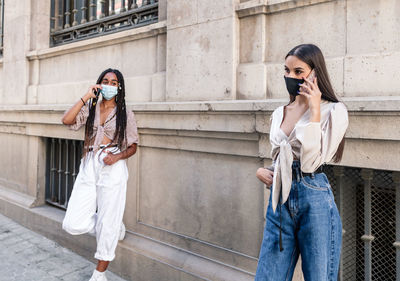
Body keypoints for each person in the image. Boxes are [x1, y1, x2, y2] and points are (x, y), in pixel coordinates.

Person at [254, 44, 348, 281]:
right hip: (279, 198)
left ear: (315, 74)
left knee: (319, 277)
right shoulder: (279, 113)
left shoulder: (334, 111)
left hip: (314, 196)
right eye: (287, 71)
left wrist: (314, 110)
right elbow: (281, 159)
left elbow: (309, 163)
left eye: (298, 71)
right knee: (268, 276)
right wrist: (263, 171)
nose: (291, 77)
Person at [61, 68, 138, 281]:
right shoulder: (90, 108)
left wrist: (117, 157)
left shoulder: (125, 114)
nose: (109, 85)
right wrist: (87, 96)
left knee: (108, 220)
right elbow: (67, 121)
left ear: (119, 87)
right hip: (90, 162)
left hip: (113, 164)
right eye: (105, 81)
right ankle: (112, 225)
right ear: (99, 84)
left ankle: (99, 274)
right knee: (72, 223)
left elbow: (133, 146)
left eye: (113, 82)